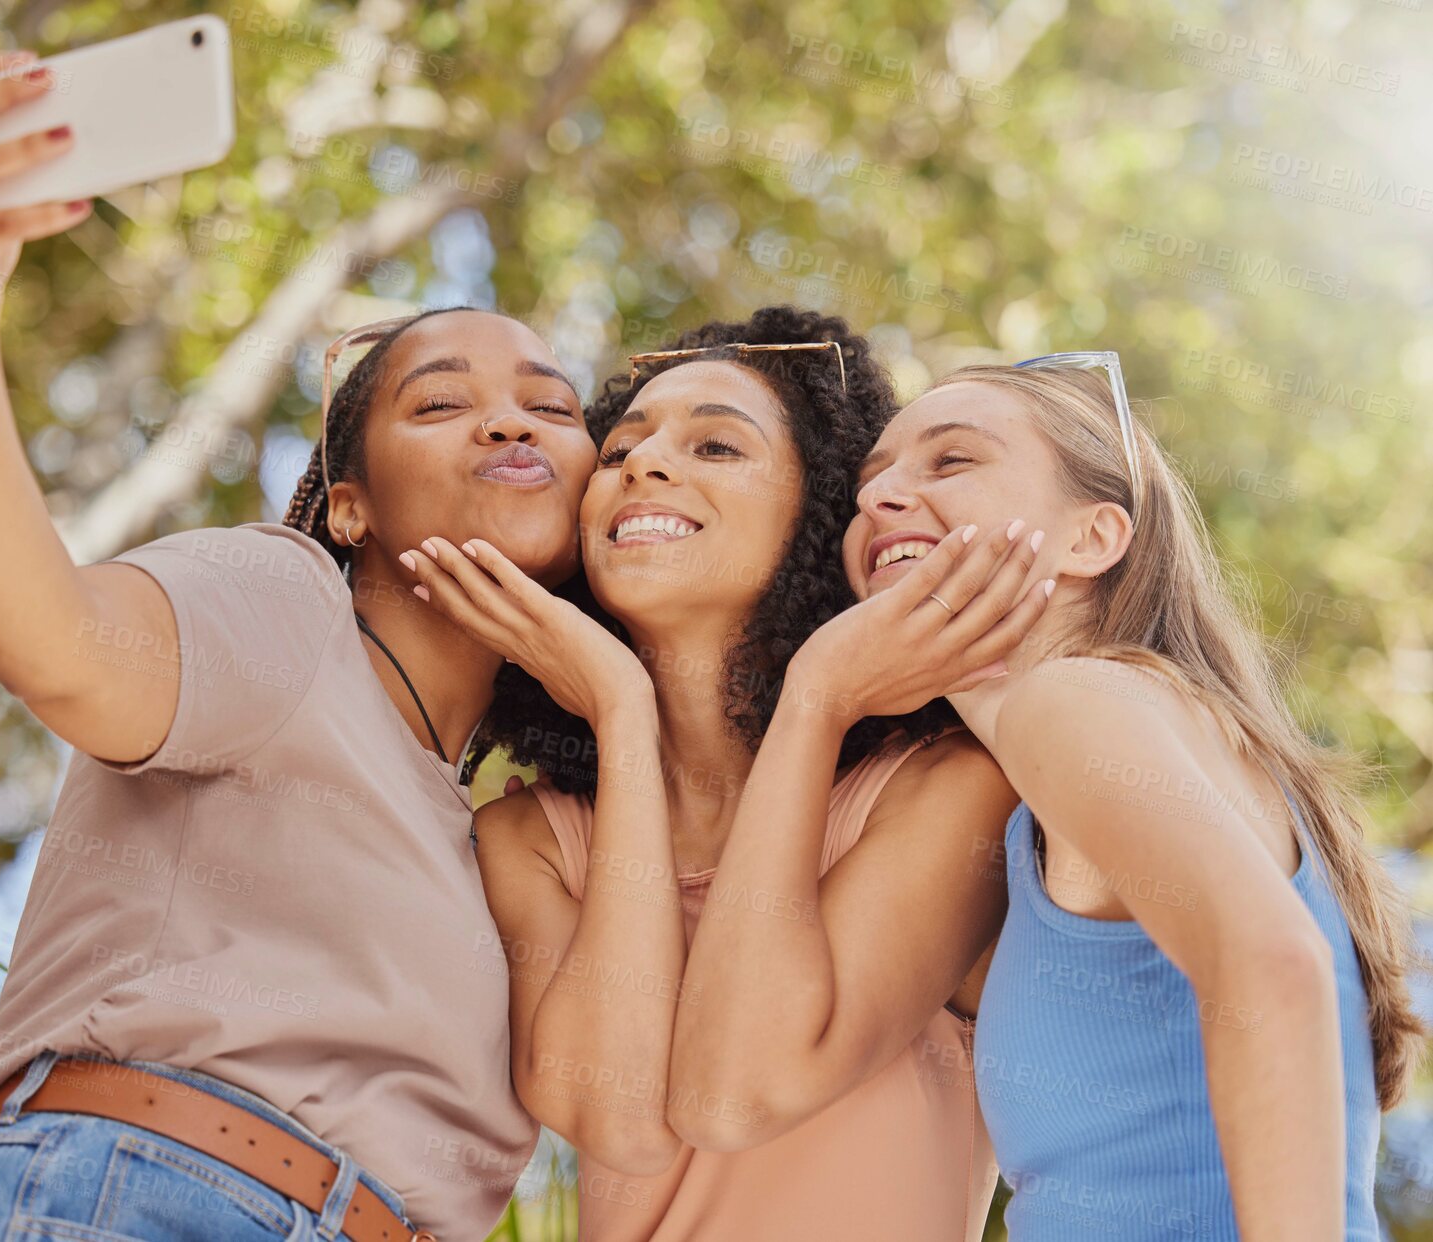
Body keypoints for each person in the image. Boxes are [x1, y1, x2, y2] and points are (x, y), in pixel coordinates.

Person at [0, 49, 598, 1242]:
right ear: (352, 504)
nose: (510, 415)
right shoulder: (289, 602)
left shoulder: (506, 832)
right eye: (439, 402)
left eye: (554, 405)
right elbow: (53, 640)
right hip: (138, 1201)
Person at [401, 307, 1050, 1239]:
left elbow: (749, 1086)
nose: (645, 466)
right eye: (620, 450)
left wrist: (818, 697)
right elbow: (615, 1118)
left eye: (716, 446)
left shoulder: (947, 789)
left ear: (816, 513)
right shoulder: (527, 835)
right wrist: (622, 714)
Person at [841, 358, 1424, 1240]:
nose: (883, 493)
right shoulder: (1095, 760)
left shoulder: (1073, 701)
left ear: (1092, 539)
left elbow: (1271, 967)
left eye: (950, 461)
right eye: (870, 477)